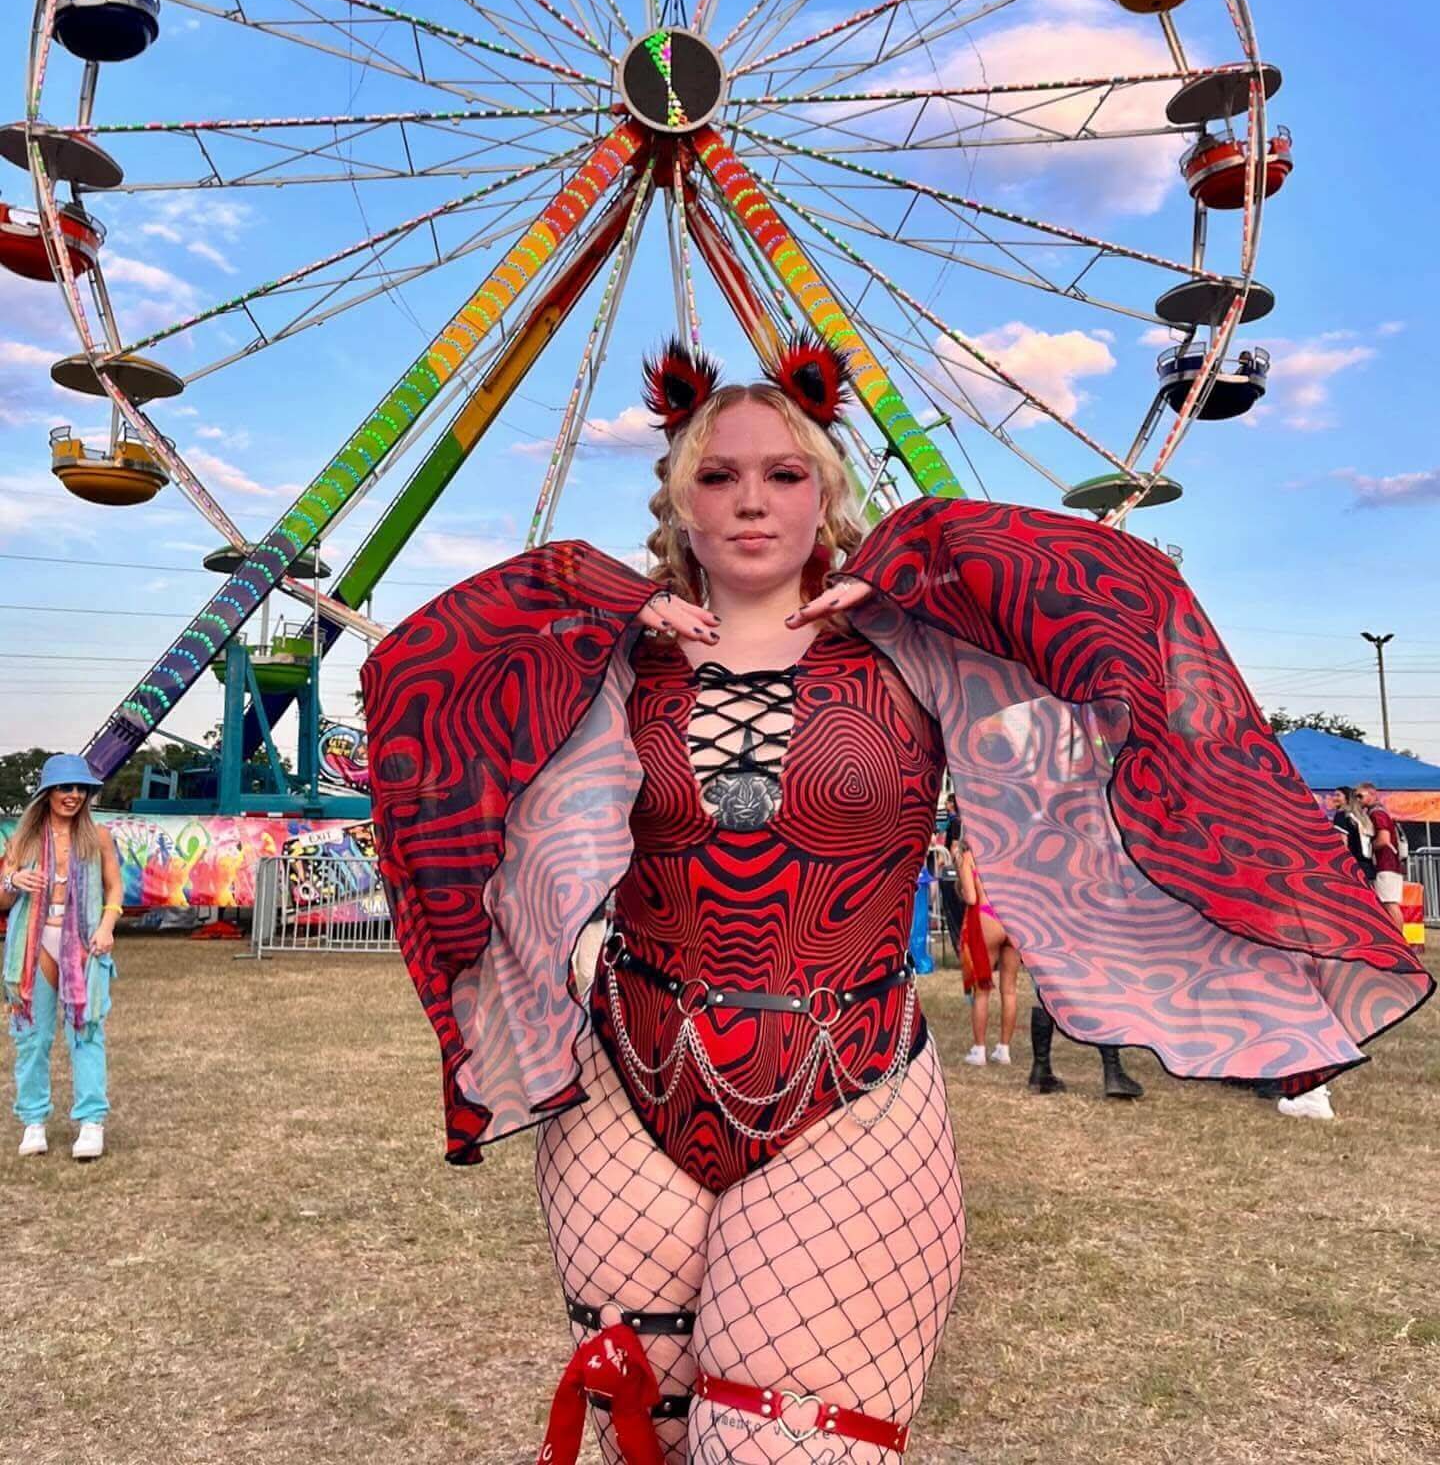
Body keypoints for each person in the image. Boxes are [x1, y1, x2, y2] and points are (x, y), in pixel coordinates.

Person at [364, 338, 1431, 1465]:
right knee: (644, 1427)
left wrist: (935, 551)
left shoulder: (914, 645)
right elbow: (412, 685)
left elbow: (1133, 600)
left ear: (827, 487)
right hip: (627, 1082)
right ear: (677, 499)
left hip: (851, 1076)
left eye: (784, 473)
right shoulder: (614, 659)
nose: (751, 502)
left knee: (783, 1446)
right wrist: (592, 595)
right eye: (716, 477)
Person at [1, 753, 122, 1161]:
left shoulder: (98, 837)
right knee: (31, 1037)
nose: (73, 796)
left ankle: (91, 1123)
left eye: (80, 789)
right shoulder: (24, 839)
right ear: (47, 793)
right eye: (64, 788)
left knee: (86, 1033)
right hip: (32, 946)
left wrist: (106, 927)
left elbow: (115, 888)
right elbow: (2, 896)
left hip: (83, 944)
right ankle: (33, 1121)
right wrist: (14, 880)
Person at [956, 838, 1018, 1066]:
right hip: (1011, 918)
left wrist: (962, 889)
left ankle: (979, 1049)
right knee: (1009, 990)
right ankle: (1004, 1049)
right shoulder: (1008, 853)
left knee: (982, 989)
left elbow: (971, 897)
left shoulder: (968, 857)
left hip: (986, 916)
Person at [1357, 781, 1405, 931]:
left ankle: (1399, 941)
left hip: (1386, 865)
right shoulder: (1377, 812)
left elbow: (1384, 839)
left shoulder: (1377, 813)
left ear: (1372, 794)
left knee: (1389, 903)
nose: (1357, 799)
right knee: (1387, 903)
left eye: (1360, 796)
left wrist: (1368, 848)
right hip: (1388, 864)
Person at [1329, 786, 1372, 880]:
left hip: (1352, 867)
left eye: (1338, 795)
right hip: (1367, 867)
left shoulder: (1341, 815)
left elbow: (1342, 842)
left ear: (1347, 798)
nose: (1334, 798)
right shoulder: (1360, 818)